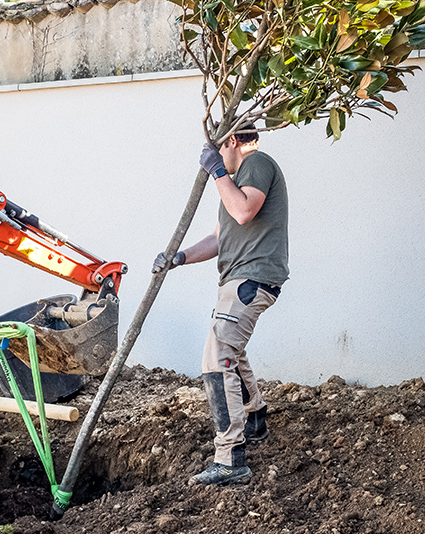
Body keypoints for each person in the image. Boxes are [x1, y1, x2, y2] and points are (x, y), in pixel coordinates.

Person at [152, 124, 289, 486]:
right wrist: (178, 257)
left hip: (250, 279)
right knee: (232, 352)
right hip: (237, 281)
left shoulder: (256, 163)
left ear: (231, 142)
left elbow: (244, 212)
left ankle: (230, 458)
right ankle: (255, 420)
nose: (218, 162)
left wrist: (216, 172)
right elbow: (218, 237)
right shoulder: (237, 181)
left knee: (217, 360)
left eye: (219, 151)